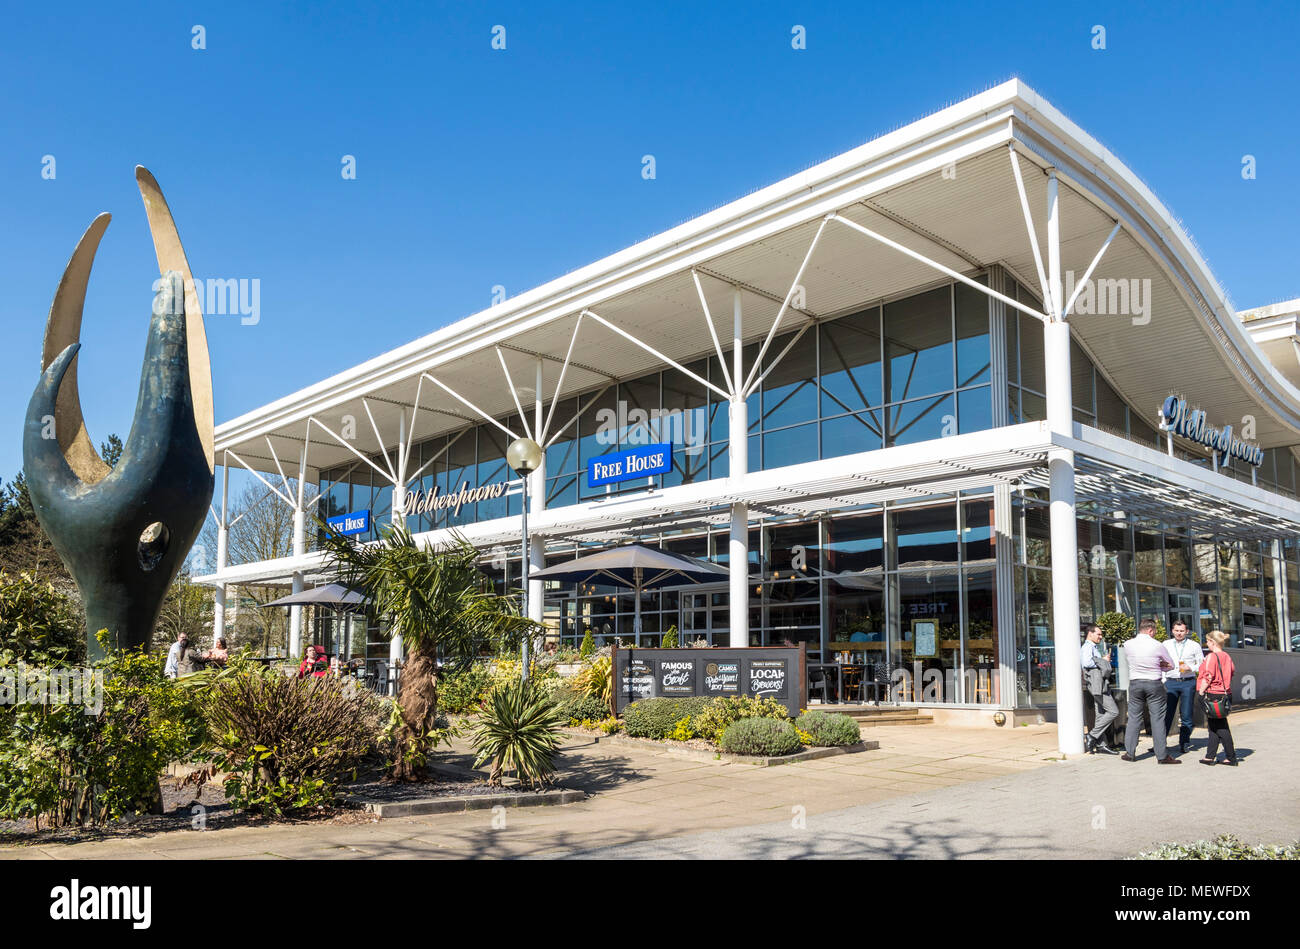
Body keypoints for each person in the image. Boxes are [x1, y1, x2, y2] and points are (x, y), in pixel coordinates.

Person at [1121, 618, 1180, 763]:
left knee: (1134, 717)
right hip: (1153, 683)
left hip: (1135, 683)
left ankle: (1129, 753)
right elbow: (1171, 665)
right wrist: (1161, 665)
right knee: (1157, 719)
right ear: (1150, 630)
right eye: (1154, 632)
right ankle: (1162, 756)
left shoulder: (1127, 644)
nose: (1154, 634)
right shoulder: (1157, 645)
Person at [1197, 629, 1237, 766]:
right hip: (1226, 693)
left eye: (1208, 641)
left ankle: (1231, 757)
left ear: (1213, 642)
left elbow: (1208, 676)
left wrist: (1201, 692)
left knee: (1220, 727)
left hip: (1213, 694)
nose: (1207, 644)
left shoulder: (1211, 657)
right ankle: (1210, 756)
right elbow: (1232, 672)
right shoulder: (1227, 656)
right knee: (1214, 726)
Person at [1162, 621, 1202, 754]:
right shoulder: (1165, 644)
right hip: (1171, 682)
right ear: (1172, 631)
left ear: (1187, 631)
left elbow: (1202, 664)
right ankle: (1161, 743)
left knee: (1186, 715)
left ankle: (1184, 743)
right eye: (1177, 630)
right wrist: (1163, 680)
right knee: (1167, 714)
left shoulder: (1194, 645)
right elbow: (1160, 662)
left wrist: (1191, 668)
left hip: (1187, 682)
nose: (1179, 633)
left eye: (1182, 631)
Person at [1080, 624, 1119, 754]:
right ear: (1090, 634)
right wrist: (1102, 660)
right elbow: (1086, 663)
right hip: (1097, 686)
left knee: (1100, 714)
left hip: (1100, 684)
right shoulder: (1087, 647)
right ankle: (1092, 735)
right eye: (1099, 634)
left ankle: (1101, 745)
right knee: (1113, 711)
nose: (1101, 637)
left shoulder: (1093, 647)